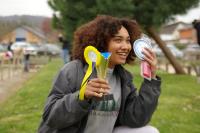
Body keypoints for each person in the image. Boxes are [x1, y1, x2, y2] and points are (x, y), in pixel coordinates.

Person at [38, 15, 161, 133]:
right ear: (100, 42)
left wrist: (151, 79)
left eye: (128, 41)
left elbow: (136, 118)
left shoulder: (124, 78)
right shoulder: (73, 71)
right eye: (118, 40)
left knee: (150, 131)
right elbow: (50, 117)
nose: (126, 47)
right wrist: (82, 96)